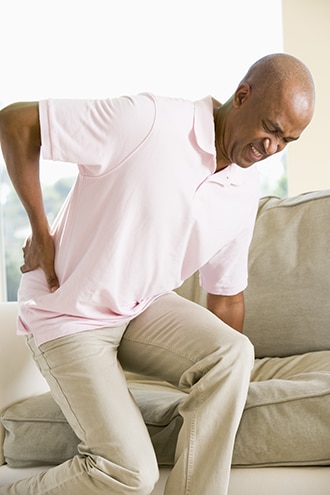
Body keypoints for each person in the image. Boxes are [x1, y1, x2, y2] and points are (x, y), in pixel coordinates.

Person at [0, 53, 314, 495]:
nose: (273, 148)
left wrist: (216, 390)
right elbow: (16, 123)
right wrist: (41, 230)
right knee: (131, 472)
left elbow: (225, 298)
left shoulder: (243, 191)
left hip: (140, 305)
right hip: (68, 314)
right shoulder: (150, 122)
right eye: (272, 129)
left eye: (288, 142)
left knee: (233, 354)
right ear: (242, 97)